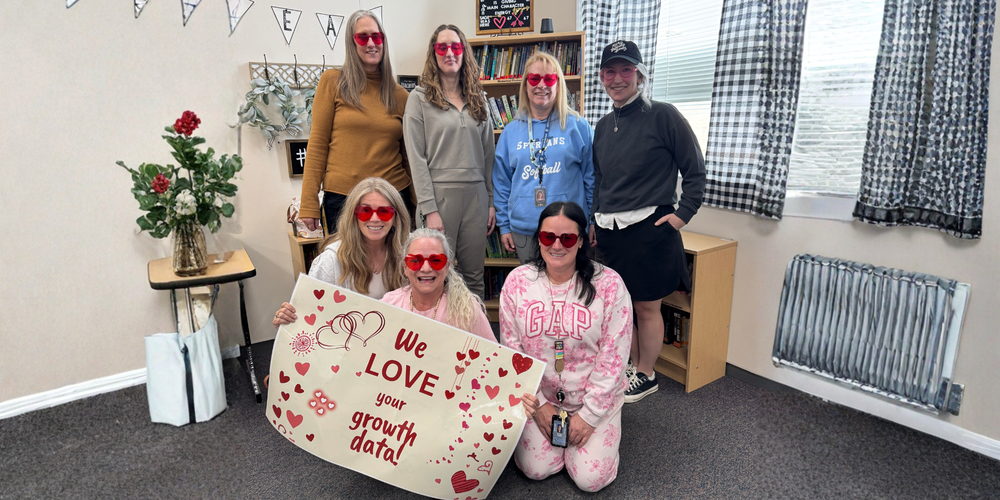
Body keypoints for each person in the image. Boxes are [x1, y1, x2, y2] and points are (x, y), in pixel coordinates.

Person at [590, 40, 706, 403]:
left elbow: (696, 172)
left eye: (626, 70)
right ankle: (633, 365)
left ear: (640, 75)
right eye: (610, 71)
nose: (618, 78)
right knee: (624, 306)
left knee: (646, 306)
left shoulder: (664, 115)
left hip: (649, 230)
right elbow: (600, 179)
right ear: (602, 78)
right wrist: (595, 218)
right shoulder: (604, 125)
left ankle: (647, 373)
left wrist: (681, 215)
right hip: (611, 233)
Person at [499, 201, 632, 493]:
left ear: (581, 241)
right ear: (538, 238)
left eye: (567, 238)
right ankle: (563, 446)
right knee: (536, 469)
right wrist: (539, 405)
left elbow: (614, 357)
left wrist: (589, 416)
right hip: (540, 396)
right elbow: (511, 350)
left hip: (592, 396)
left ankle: (594, 435)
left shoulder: (609, 285)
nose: (557, 246)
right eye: (548, 237)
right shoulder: (517, 283)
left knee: (591, 480)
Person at [298, 9, 412, 235]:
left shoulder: (400, 96)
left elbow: (408, 157)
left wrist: (419, 205)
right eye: (363, 37)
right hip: (343, 199)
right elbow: (318, 144)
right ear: (352, 43)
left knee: (393, 268)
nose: (371, 43)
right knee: (345, 268)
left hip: (393, 197)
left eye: (376, 36)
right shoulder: (333, 82)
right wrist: (308, 204)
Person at [404, 24, 496, 299]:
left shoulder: (478, 99)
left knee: (474, 276)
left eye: (455, 47)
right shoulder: (418, 99)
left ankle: (475, 339)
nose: (449, 53)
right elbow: (416, 158)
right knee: (434, 277)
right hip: (438, 200)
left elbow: (488, 155)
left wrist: (490, 202)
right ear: (434, 54)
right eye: (442, 48)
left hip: (476, 199)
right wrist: (430, 209)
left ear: (463, 52)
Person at [493, 52, 594, 264]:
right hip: (524, 229)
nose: (542, 85)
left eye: (549, 79)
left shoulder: (578, 126)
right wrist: (504, 225)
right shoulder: (510, 132)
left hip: (570, 229)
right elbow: (502, 183)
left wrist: (592, 221)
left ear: (558, 85)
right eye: (535, 79)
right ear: (525, 85)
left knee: (571, 291)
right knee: (532, 293)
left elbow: (591, 178)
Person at [273, 177, 410, 328]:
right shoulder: (330, 262)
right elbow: (307, 315)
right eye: (365, 211)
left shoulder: (409, 253)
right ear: (353, 215)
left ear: (397, 216)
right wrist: (287, 320)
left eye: (385, 211)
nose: (375, 218)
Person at [380, 228, 495, 341]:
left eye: (436, 261)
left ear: (447, 267)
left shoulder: (467, 311)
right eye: (415, 261)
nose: (426, 269)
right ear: (405, 268)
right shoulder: (389, 304)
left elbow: (494, 355)